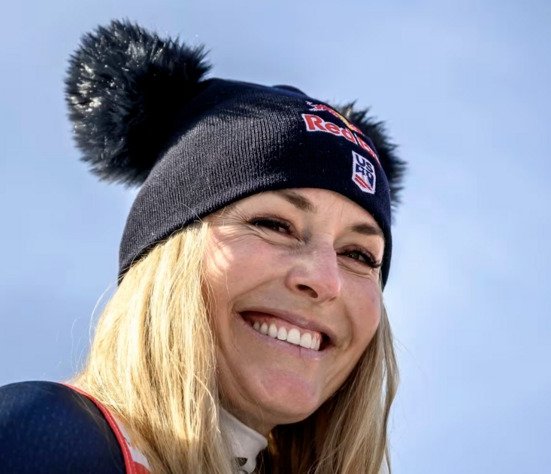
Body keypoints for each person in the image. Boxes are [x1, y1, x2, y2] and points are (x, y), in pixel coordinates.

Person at [0, 20, 405, 474]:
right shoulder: (48, 437)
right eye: (274, 225)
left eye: (359, 255)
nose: (325, 280)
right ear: (167, 252)